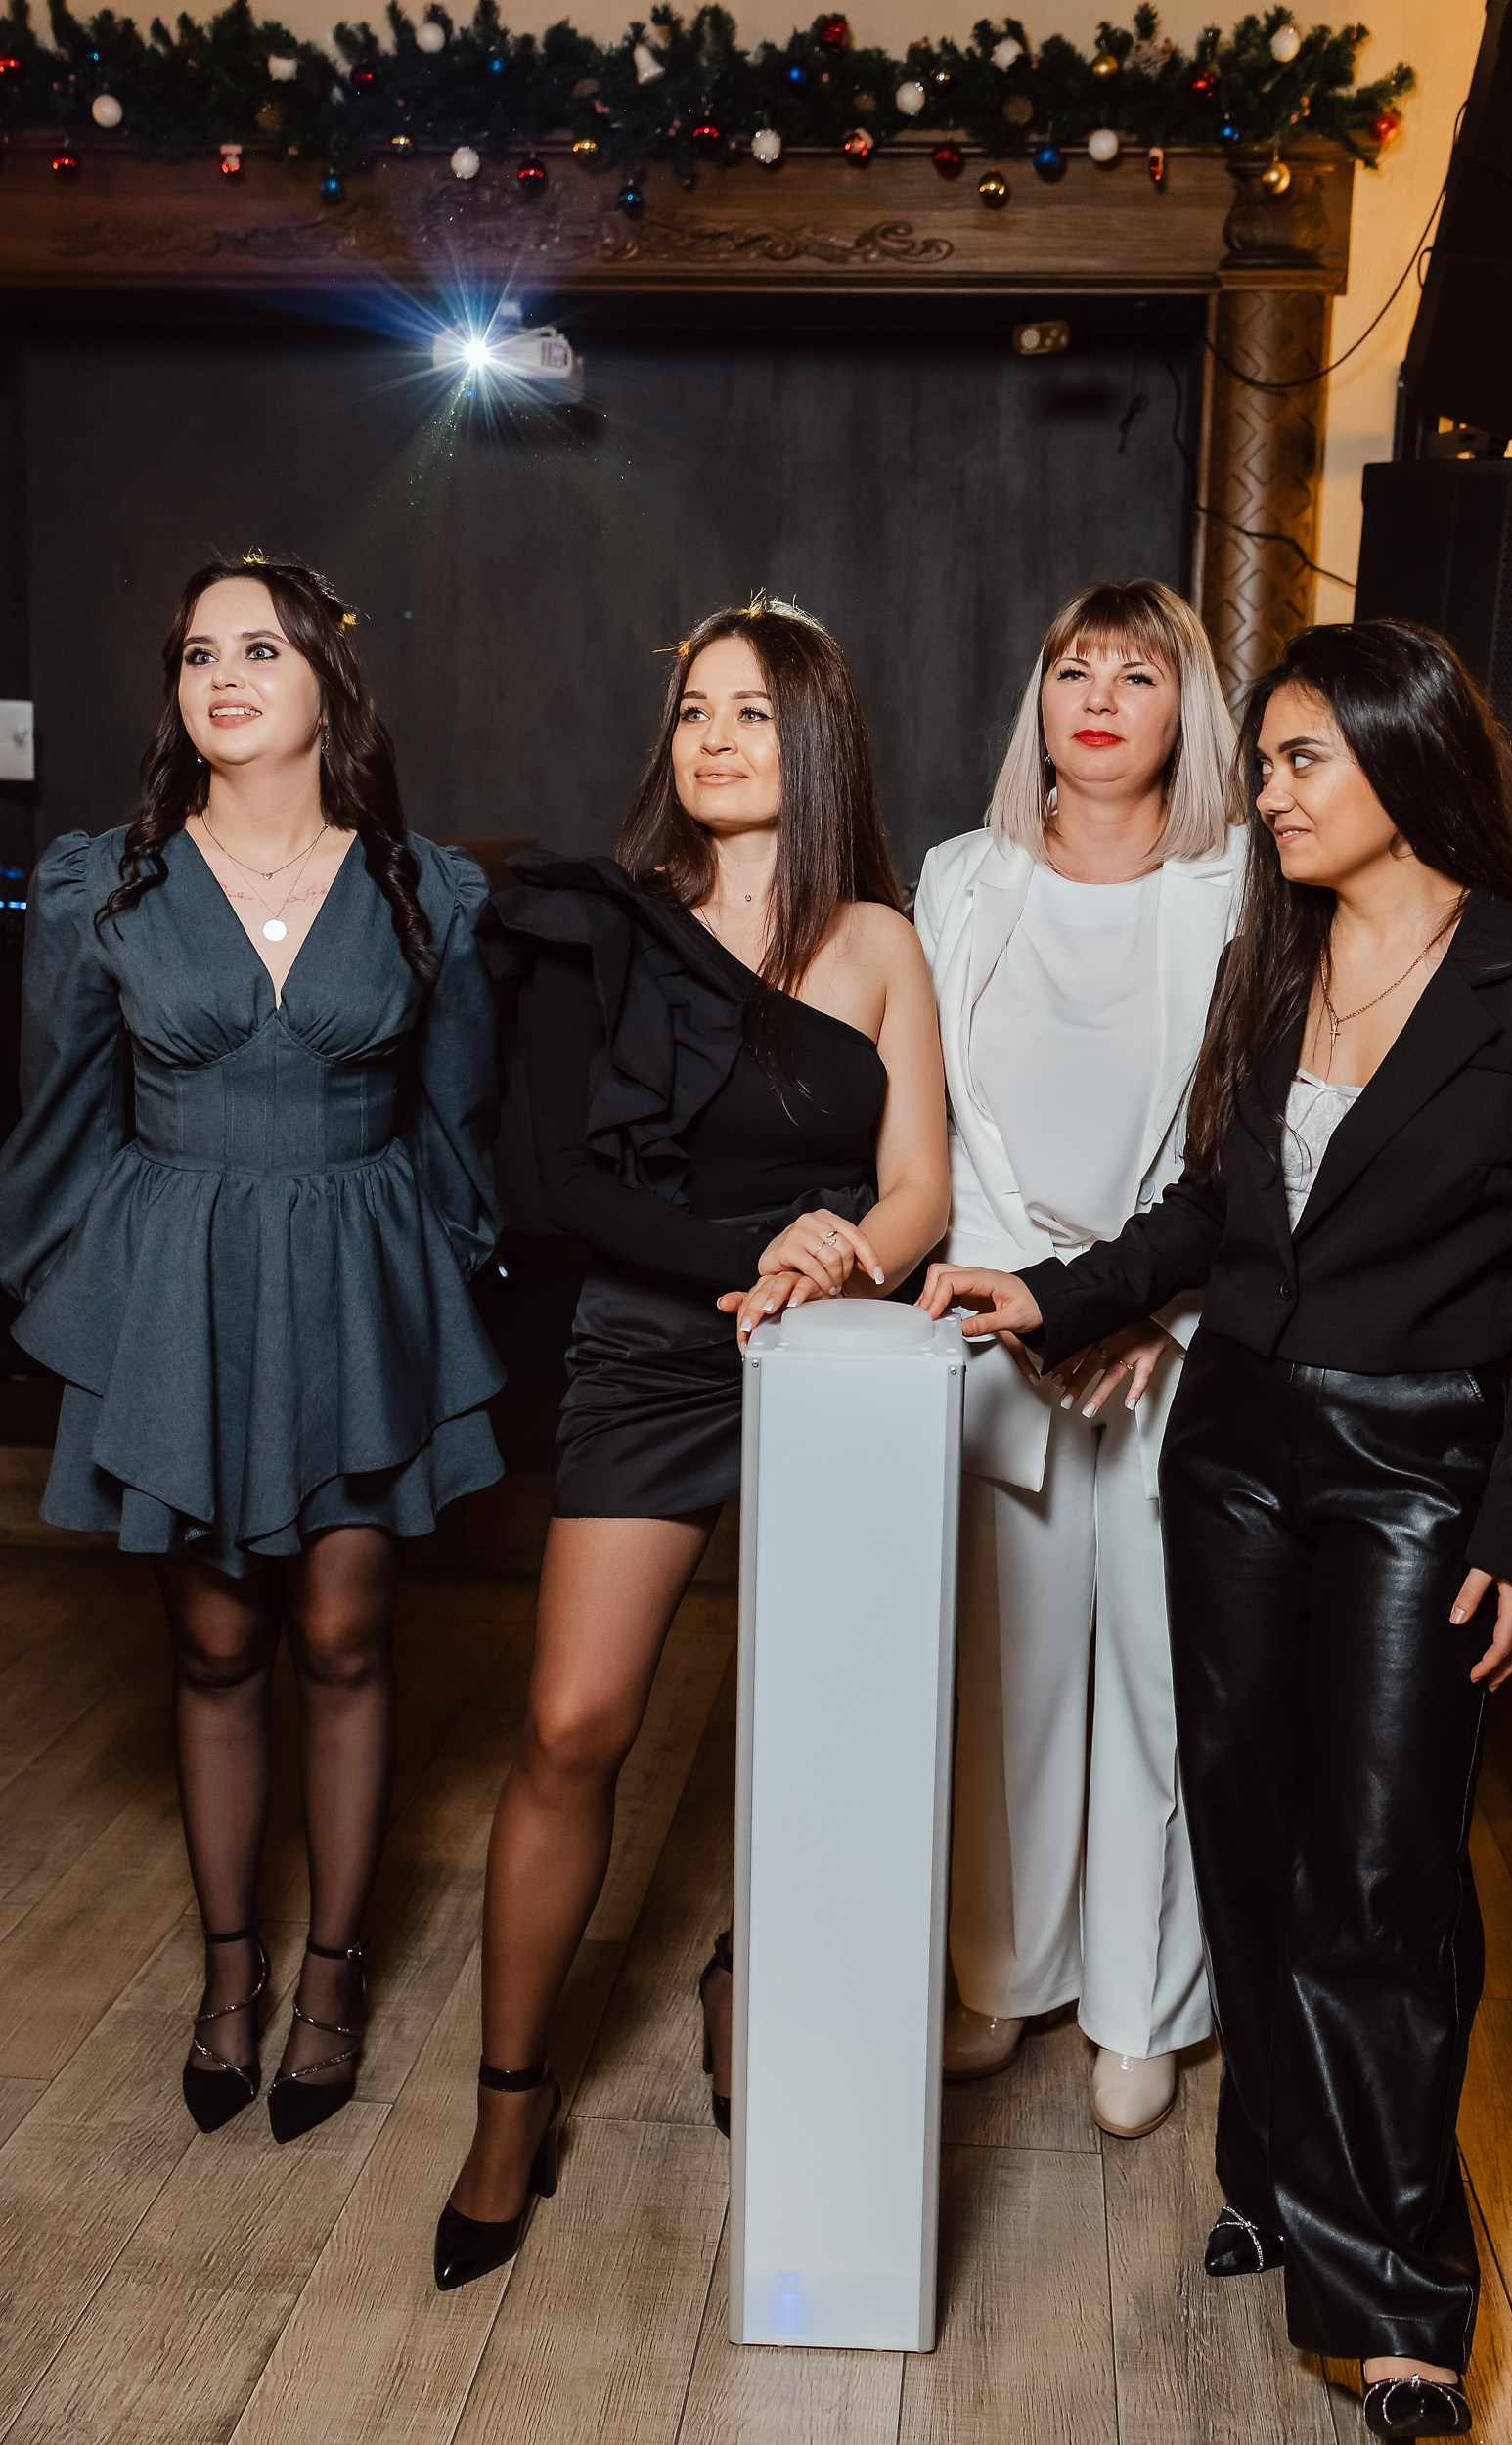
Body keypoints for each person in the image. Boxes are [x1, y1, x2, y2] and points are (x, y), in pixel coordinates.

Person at [919, 619, 1512, 2440]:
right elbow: (1208, 1213)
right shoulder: (1276, 950)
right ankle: (1277, 2177)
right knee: (1241, 1829)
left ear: (1406, 759)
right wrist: (1053, 1292)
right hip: (1231, 1448)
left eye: (1305, 759)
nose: (1270, 793)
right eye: (1273, 760)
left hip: (1420, 1469)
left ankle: (1397, 2296)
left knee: (1381, 1864)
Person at [434, 598, 950, 2291]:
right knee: (573, 1723)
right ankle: (510, 2102)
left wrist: (838, 1261)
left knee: (818, 1734)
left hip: (837, 1358)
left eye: (755, 710)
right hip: (655, 1349)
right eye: (694, 712)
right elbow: (566, 1185)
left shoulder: (881, 940)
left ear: (820, 737)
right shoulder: (596, 923)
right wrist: (756, 1254)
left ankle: (744, 1971)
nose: (717, 738)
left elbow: (920, 1186)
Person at [0, 554, 504, 2145]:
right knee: (216, 1642)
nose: (224, 675)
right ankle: (231, 1974)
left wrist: (427, 1299)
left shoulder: (424, 888)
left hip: (356, 1283)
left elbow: (458, 1125)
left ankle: (335, 1977)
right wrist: (83, 1302)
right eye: (199, 653)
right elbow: (63, 1116)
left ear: (328, 685)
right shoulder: (105, 886)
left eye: (262, 649)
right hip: (182, 1292)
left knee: (345, 1633)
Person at [914, 579, 1240, 2136]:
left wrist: (1150, 1310)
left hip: (1172, 1341)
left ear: (1189, 709)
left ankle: (1142, 2008)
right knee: (1009, 1675)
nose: (1100, 699)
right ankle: (1003, 1974)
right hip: (996, 1322)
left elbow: (1259, 1148)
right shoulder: (957, 878)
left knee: (1163, 1677)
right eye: (1073, 670)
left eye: (1138, 674)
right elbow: (928, 1118)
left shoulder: (1244, 890)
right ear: (1037, 699)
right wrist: (1013, 1302)